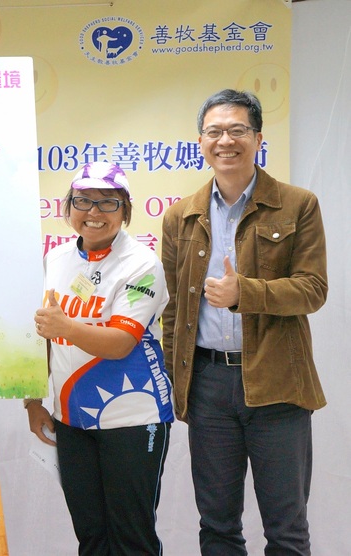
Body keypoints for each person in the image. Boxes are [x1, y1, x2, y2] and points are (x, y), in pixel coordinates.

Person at [161, 89, 327, 555]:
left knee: (286, 528)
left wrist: (244, 294)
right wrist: (176, 381)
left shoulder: (298, 205)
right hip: (208, 384)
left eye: (237, 130)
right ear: (200, 141)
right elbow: (173, 311)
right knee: (217, 525)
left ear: (257, 138)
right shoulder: (180, 217)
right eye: (214, 131)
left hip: (278, 381)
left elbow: (313, 289)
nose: (226, 141)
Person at [26, 161, 173, 555]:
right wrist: (33, 400)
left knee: (132, 539)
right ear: (68, 207)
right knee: (90, 536)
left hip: (132, 416)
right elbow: (42, 332)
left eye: (108, 202)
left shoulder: (142, 264)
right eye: (83, 201)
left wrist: (66, 326)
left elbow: (121, 343)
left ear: (125, 210)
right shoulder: (56, 258)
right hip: (71, 418)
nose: (94, 212)